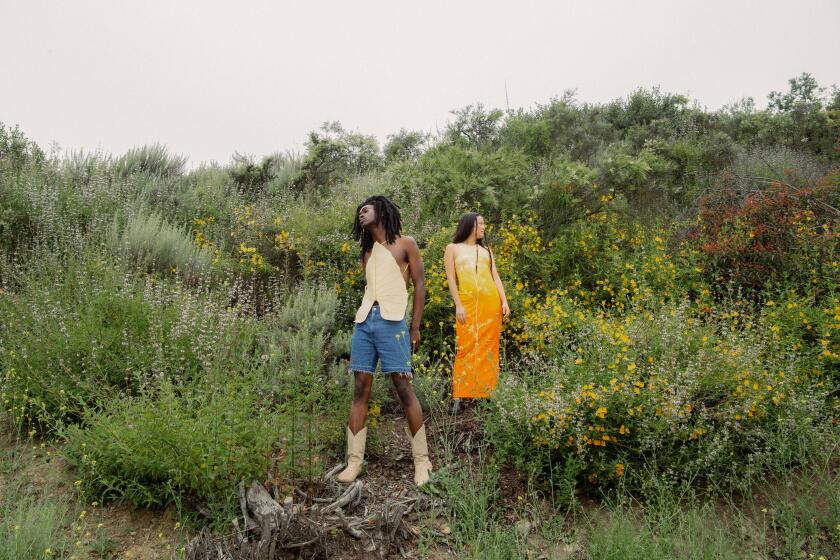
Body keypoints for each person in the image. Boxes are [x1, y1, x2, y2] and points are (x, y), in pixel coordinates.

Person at [336, 195, 433, 487]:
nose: (361, 214)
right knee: (360, 387)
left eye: (366, 209)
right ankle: (353, 462)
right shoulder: (367, 253)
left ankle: (422, 462)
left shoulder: (406, 244)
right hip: (365, 322)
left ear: (381, 211)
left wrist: (414, 327)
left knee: (403, 387)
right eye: (359, 212)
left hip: (394, 322)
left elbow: (419, 286)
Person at [444, 213, 510, 404]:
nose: (483, 227)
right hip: (467, 304)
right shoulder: (453, 248)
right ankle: (459, 394)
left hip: (491, 304)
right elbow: (451, 279)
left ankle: (486, 392)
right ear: (469, 225)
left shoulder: (487, 251)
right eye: (480, 223)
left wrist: (504, 301)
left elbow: (495, 277)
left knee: (489, 346)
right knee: (465, 346)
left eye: (483, 223)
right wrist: (458, 304)